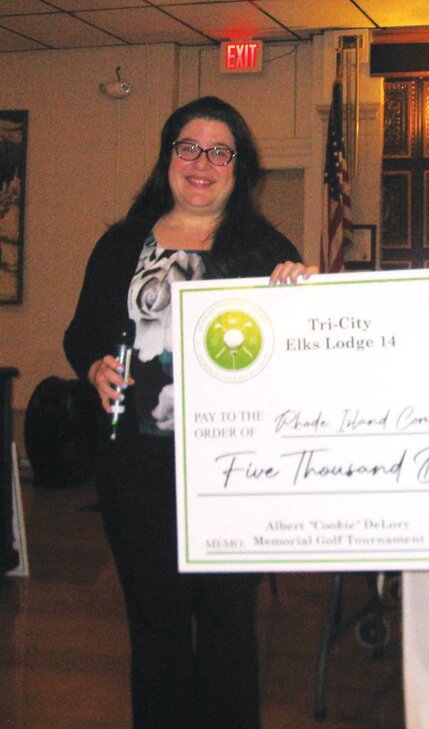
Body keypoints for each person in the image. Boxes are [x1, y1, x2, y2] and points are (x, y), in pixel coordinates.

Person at [64, 96, 313, 729]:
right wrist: (93, 364)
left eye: (219, 151)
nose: (202, 162)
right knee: (156, 632)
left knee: (231, 630)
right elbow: (82, 333)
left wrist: (297, 291)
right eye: (188, 147)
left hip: (232, 474)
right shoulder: (122, 244)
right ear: (168, 159)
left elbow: (301, 346)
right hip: (138, 473)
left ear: (239, 166)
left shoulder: (264, 248)